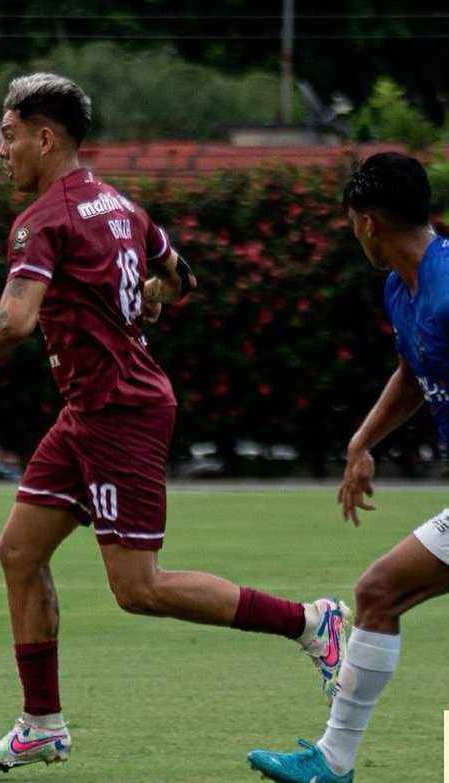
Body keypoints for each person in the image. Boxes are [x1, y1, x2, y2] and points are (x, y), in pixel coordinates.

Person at [0, 72, 350, 773]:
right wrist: (154, 292)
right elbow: (183, 277)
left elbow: (14, 320)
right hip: (90, 410)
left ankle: (309, 621)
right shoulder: (121, 206)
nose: (0, 151)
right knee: (19, 551)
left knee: (139, 588)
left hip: (120, 411)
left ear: (45, 138)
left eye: (9, 135)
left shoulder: (43, 219)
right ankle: (41, 724)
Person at [247, 152, 449, 783]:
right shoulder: (403, 288)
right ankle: (333, 761)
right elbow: (414, 372)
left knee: (378, 590)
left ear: (367, 221)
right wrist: (362, 442)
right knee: (378, 592)